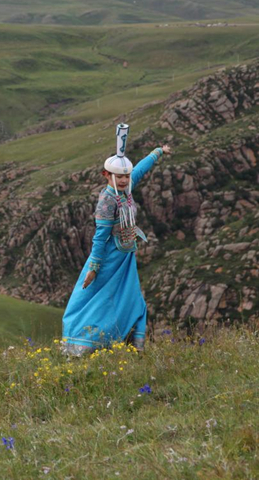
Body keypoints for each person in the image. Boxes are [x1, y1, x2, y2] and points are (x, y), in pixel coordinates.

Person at [62, 123, 171, 355]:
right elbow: (100, 237)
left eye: (126, 176)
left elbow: (140, 169)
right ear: (106, 175)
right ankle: (83, 345)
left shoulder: (126, 189)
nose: (123, 180)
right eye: (119, 176)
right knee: (98, 301)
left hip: (126, 257)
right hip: (110, 258)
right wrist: (94, 267)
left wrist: (158, 152)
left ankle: (132, 346)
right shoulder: (107, 200)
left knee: (133, 302)